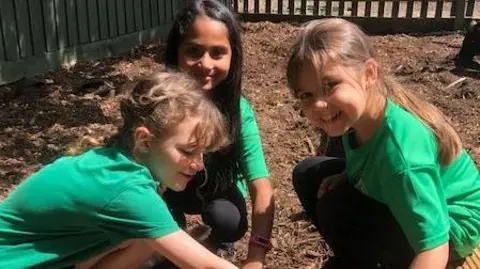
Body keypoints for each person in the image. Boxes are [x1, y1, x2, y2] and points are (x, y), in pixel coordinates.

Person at [287, 18, 480, 269]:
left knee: (336, 207)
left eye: (330, 85)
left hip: (452, 230)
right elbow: (370, 155)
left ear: (369, 74)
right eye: (307, 95)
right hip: (413, 196)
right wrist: (348, 175)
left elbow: (434, 248)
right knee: (308, 174)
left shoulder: (402, 156)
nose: (319, 105)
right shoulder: (356, 118)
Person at [0, 71, 239, 269]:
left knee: (147, 236)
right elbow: (207, 266)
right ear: (144, 141)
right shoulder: (126, 190)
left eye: (202, 153)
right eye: (188, 151)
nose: (199, 164)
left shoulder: (120, 164)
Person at [162, 1, 275, 268]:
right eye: (194, 51)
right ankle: (175, 227)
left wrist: (256, 257)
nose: (205, 63)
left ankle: (218, 241)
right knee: (162, 254)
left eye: (217, 52)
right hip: (167, 188)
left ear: (232, 56)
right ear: (175, 52)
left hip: (215, 189)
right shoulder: (160, 105)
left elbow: (261, 186)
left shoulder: (238, 111)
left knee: (229, 219)